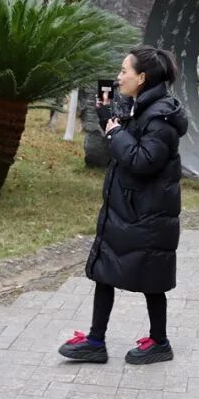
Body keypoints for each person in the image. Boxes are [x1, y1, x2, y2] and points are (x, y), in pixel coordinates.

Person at [59, 46, 186, 365]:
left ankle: (160, 342)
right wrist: (109, 121)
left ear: (141, 77)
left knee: (152, 277)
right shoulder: (140, 107)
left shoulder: (161, 117)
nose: (118, 77)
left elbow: (143, 160)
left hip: (148, 213)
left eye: (124, 71)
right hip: (127, 208)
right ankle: (95, 341)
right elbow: (126, 150)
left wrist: (115, 131)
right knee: (105, 270)